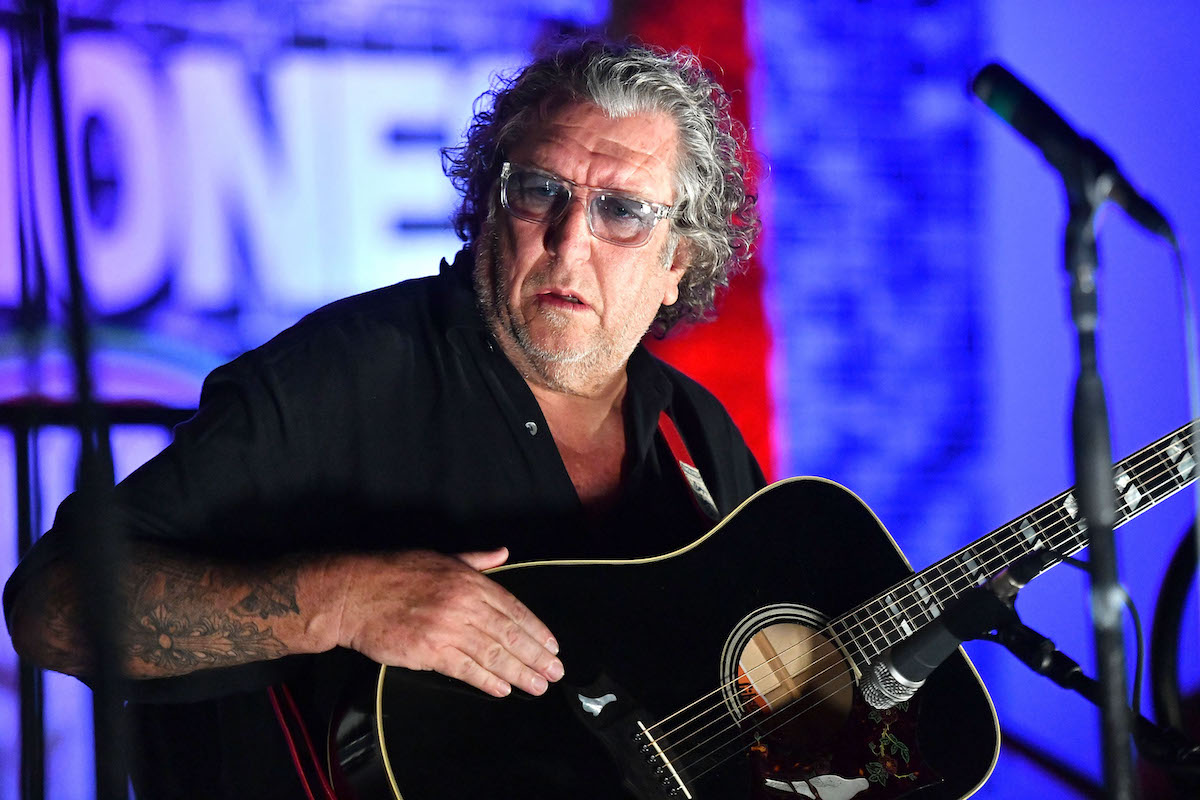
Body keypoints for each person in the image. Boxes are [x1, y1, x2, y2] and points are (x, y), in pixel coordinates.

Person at [4, 38, 764, 797]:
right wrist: (339, 599)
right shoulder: (344, 374)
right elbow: (49, 606)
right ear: (489, 203)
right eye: (539, 191)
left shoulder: (693, 434)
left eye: (623, 211)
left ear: (678, 264)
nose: (569, 241)